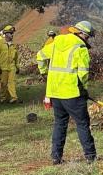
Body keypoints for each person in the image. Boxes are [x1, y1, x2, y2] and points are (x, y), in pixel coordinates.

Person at [36, 21, 97, 165]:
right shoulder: (80, 47)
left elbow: (40, 56)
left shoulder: (56, 41)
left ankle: (56, 157)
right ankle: (90, 156)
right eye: (87, 37)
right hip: (72, 93)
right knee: (82, 124)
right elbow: (83, 73)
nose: (87, 39)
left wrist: (44, 72)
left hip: (55, 92)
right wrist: (83, 89)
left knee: (59, 124)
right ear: (80, 33)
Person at [0, 25, 20, 103]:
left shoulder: (13, 45)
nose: (12, 35)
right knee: (3, 83)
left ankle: (14, 97)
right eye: (11, 33)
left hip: (12, 67)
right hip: (3, 68)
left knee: (11, 82)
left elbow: (16, 58)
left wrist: (17, 67)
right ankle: (3, 98)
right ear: (6, 34)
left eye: (12, 33)